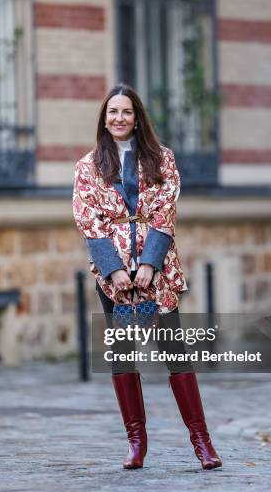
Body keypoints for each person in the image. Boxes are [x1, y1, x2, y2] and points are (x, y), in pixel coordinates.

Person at [72, 83, 221, 471]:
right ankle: (136, 443)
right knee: (123, 354)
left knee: (174, 351)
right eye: (112, 112)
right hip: (115, 278)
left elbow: (165, 212)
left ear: (137, 119)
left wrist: (150, 265)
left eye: (126, 112)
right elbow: (89, 220)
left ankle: (202, 442)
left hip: (159, 271)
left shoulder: (162, 159)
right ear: (104, 119)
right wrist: (115, 269)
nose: (119, 118)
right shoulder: (88, 167)